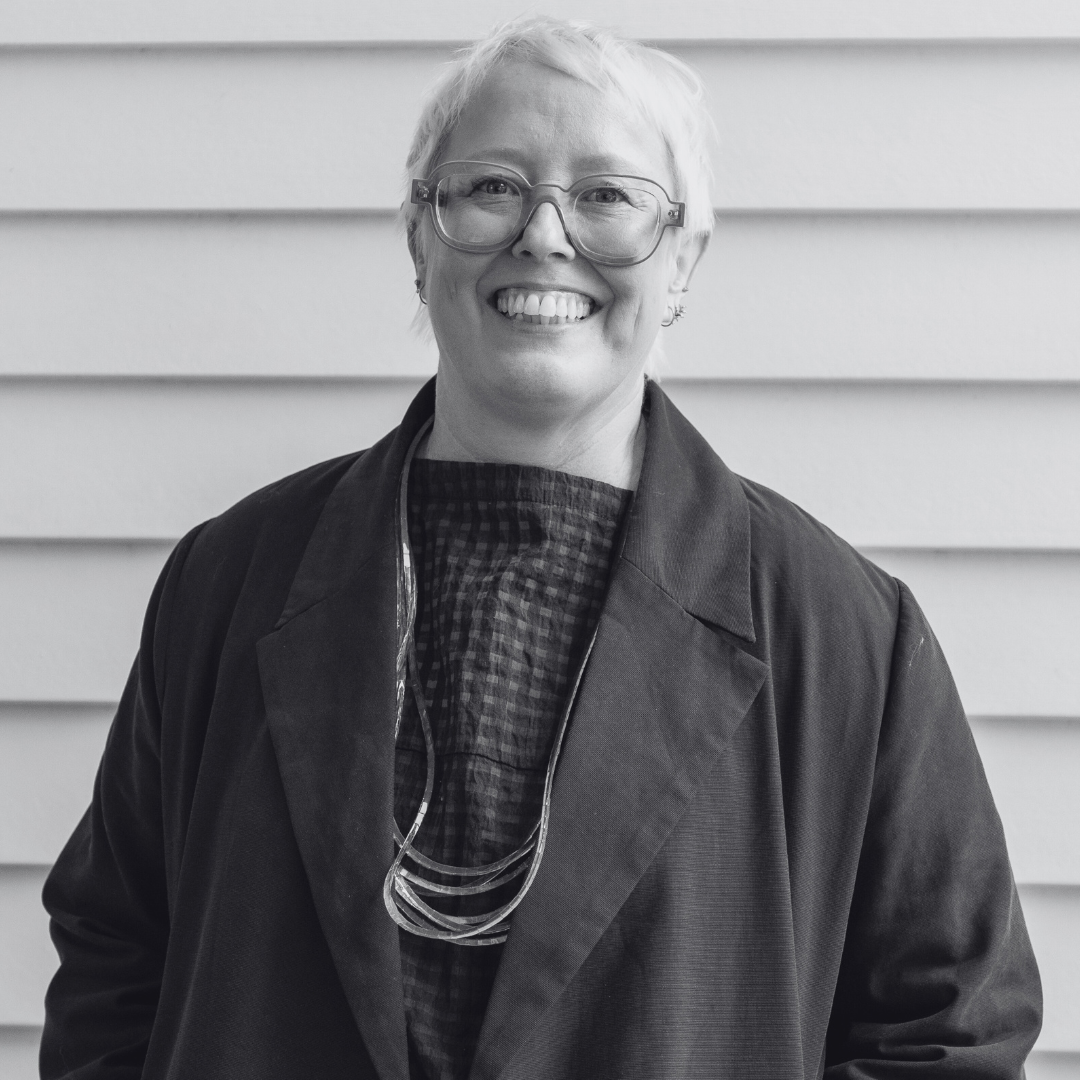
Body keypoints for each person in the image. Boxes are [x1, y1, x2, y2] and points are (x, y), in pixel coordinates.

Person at [41, 16, 1041, 1080]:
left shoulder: (845, 631)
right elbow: (115, 958)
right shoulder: (228, 580)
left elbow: (953, 1032)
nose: (545, 234)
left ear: (684, 262)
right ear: (421, 236)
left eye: (607, 195)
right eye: (492, 187)